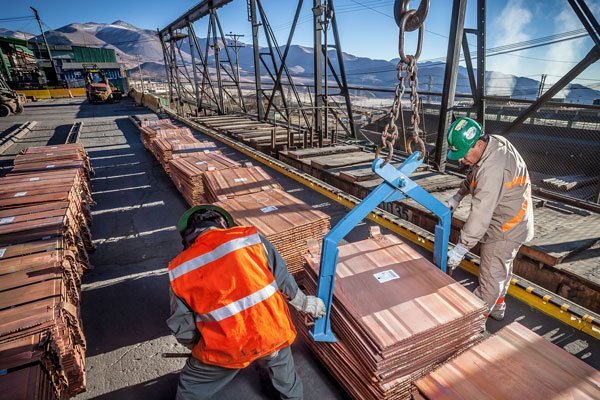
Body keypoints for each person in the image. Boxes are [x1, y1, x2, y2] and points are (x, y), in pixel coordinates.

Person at [167, 205, 326, 400]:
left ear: (189, 235)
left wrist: (200, 348)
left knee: (190, 386)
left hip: (226, 346)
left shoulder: (179, 268)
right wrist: (305, 303)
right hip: (272, 332)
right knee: (286, 378)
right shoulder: (250, 239)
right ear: (223, 223)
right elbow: (283, 279)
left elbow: (181, 326)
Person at [444, 117, 534, 321]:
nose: (461, 160)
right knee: (502, 269)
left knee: (491, 276)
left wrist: (461, 247)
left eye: (463, 154)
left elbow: (480, 214)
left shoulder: (494, 168)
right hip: (512, 219)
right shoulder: (490, 145)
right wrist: (458, 196)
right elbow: (474, 175)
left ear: (477, 143)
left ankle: (474, 325)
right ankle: (497, 309)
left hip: (506, 228)